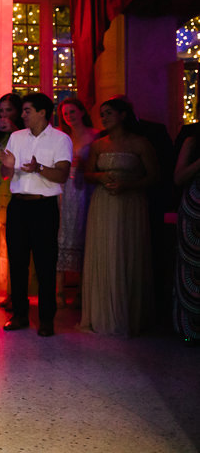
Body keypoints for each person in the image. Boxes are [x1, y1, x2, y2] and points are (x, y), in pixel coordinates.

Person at [81, 97, 158, 336]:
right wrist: (100, 177)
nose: (103, 118)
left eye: (108, 113)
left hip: (130, 203)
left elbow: (155, 176)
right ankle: (102, 313)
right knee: (105, 252)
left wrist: (130, 184)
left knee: (127, 252)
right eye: (101, 114)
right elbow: (87, 174)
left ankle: (130, 314)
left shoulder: (140, 143)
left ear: (123, 115)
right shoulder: (98, 145)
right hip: (104, 203)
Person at [0, 92, 72, 337]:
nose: (22, 115)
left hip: (44, 207)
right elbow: (5, 174)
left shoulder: (61, 139)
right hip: (18, 205)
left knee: (45, 264)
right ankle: (19, 314)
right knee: (17, 262)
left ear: (43, 112)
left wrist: (39, 168)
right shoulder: (16, 137)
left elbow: (62, 175)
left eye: (27, 110)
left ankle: (46, 319)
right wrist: (7, 165)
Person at [56, 97, 98, 308]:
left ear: (82, 112)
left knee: (83, 231)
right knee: (62, 232)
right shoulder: (63, 136)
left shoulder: (95, 135)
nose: (69, 116)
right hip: (65, 188)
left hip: (85, 187)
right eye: (65, 113)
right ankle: (60, 289)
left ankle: (82, 290)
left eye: (72, 112)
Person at [0, 93, 23, 311]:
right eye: (1, 111)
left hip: (14, 187)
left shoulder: (21, 135)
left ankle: (17, 293)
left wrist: (12, 130)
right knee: (2, 240)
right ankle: (10, 292)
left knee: (16, 241)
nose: (4, 115)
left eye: (8, 110)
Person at [173, 123, 200, 344]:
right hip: (195, 209)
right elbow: (178, 177)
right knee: (192, 268)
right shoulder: (192, 139)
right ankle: (191, 330)